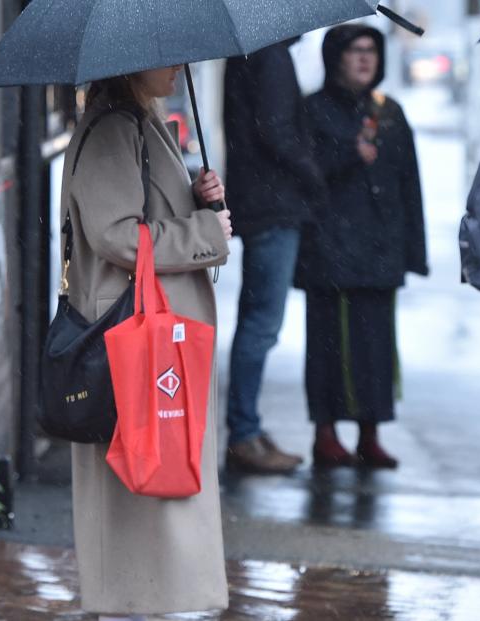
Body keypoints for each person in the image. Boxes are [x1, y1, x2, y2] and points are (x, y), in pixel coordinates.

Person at [60, 66, 233, 620]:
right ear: (135, 64)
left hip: (158, 337)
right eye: (169, 57)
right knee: (140, 476)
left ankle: (150, 602)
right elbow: (114, 232)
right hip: (136, 340)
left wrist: (197, 199)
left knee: (158, 472)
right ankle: (133, 604)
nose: (179, 66)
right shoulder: (113, 127)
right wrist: (207, 233)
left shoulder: (141, 122)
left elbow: (147, 215)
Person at [297, 24, 428, 469]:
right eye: (354, 51)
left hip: (379, 250)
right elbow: (305, 175)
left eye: (371, 50)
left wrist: (414, 251)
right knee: (329, 344)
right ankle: (326, 432)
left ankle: (370, 433)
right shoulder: (314, 111)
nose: (364, 59)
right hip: (329, 251)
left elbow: (410, 185)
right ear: (336, 57)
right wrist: (349, 154)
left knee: (375, 347)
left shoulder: (390, 112)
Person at [223, 38, 325, 474]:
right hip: (273, 204)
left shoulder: (256, 50)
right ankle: (244, 433)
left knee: (257, 322)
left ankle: (246, 429)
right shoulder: (269, 53)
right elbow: (276, 128)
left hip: (263, 201)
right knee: (261, 325)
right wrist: (314, 174)